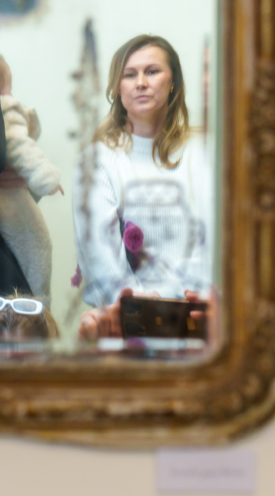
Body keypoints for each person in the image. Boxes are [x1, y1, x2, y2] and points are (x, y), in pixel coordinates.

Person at [72, 35, 214, 340]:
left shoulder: (203, 152)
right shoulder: (96, 161)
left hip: (194, 321)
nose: (140, 83)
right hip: (125, 329)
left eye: (152, 71)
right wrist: (142, 314)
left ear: (173, 82)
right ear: (117, 88)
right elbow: (99, 259)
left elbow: (214, 241)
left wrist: (177, 304)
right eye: (129, 74)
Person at [0, 50, 62, 301]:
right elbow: (20, 145)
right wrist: (45, 176)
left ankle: (36, 304)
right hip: (5, 200)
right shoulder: (4, 108)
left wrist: (39, 177)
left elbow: (17, 146)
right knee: (36, 246)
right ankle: (39, 302)